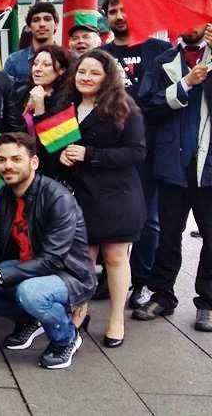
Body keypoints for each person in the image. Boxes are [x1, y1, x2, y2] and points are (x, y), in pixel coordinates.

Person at [0, 132, 95, 370]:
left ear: (34, 162)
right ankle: (29, 319)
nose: (7, 166)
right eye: (2, 160)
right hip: (25, 269)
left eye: (16, 159)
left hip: (70, 275)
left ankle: (66, 339)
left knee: (30, 292)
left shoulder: (57, 198)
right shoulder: (1, 195)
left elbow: (52, 260)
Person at [50, 49, 146, 347]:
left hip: (116, 196)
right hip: (78, 196)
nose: (86, 78)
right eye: (81, 72)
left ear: (108, 78)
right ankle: (80, 313)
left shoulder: (124, 107)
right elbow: (51, 145)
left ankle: (117, 319)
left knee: (116, 257)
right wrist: (61, 156)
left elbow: (136, 152)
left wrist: (91, 155)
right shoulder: (66, 105)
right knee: (82, 258)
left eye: (94, 73)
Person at [133, 25, 212, 332]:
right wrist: (185, 84)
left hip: (208, 166)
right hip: (171, 164)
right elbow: (147, 106)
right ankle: (162, 294)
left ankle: (206, 302)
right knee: (167, 235)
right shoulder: (163, 61)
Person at [99, 0, 173, 309]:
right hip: (110, 151)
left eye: (125, 9)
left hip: (151, 149)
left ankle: (143, 282)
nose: (120, 16)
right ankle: (112, 278)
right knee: (111, 216)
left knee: (148, 219)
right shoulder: (101, 56)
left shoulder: (161, 51)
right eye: (113, 11)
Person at [21, 44, 72, 134]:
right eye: (35, 64)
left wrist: (39, 106)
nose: (37, 69)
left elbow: (55, 142)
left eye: (46, 65)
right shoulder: (24, 93)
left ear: (62, 70)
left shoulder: (65, 100)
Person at [5, 2, 60, 86]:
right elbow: (5, 95)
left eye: (47, 19)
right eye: (36, 20)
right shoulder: (14, 61)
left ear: (56, 24)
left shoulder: (68, 59)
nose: (42, 24)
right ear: (29, 27)